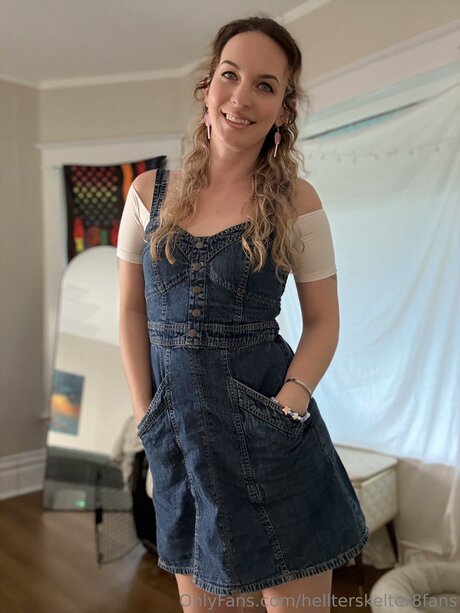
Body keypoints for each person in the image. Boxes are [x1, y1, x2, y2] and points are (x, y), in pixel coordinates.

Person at [117, 16, 368, 613]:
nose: (242, 96)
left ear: (284, 108)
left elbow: (324, 321)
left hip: (272, 439)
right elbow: (130, 310)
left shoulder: (296, 202)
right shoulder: (146, 194)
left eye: (265, 85)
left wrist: (291, 403)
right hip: (180, 444)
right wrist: (146, 415)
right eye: (230, 75)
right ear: (207, 87)